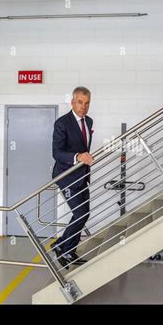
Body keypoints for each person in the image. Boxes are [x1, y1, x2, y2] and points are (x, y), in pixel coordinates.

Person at [51, 86, 94, 268]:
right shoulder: (62, 123)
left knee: (84, 213)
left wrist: (86, 158)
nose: (83, 106)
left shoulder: (89, 121)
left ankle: (65, 247)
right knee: (80, 213)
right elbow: (56, 152)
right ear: (72, 102)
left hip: (82, 175)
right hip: (66, 176)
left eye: (86, 103)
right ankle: (64, 249)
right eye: (79, 102)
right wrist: (77, 157)